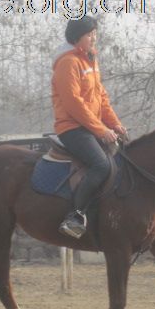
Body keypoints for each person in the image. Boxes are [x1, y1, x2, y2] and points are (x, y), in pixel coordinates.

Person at [52, 16, 127, 239]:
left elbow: (101, 98)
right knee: (101, 165)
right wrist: (101, 130)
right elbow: (73, 103)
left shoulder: (90, 61)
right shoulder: (68, 63)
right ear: (77, 38)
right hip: (72, 128)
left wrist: (115, 124)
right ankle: (74, 217)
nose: (94, 38)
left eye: (95, 33)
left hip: (90, 126)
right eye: (89, 34)